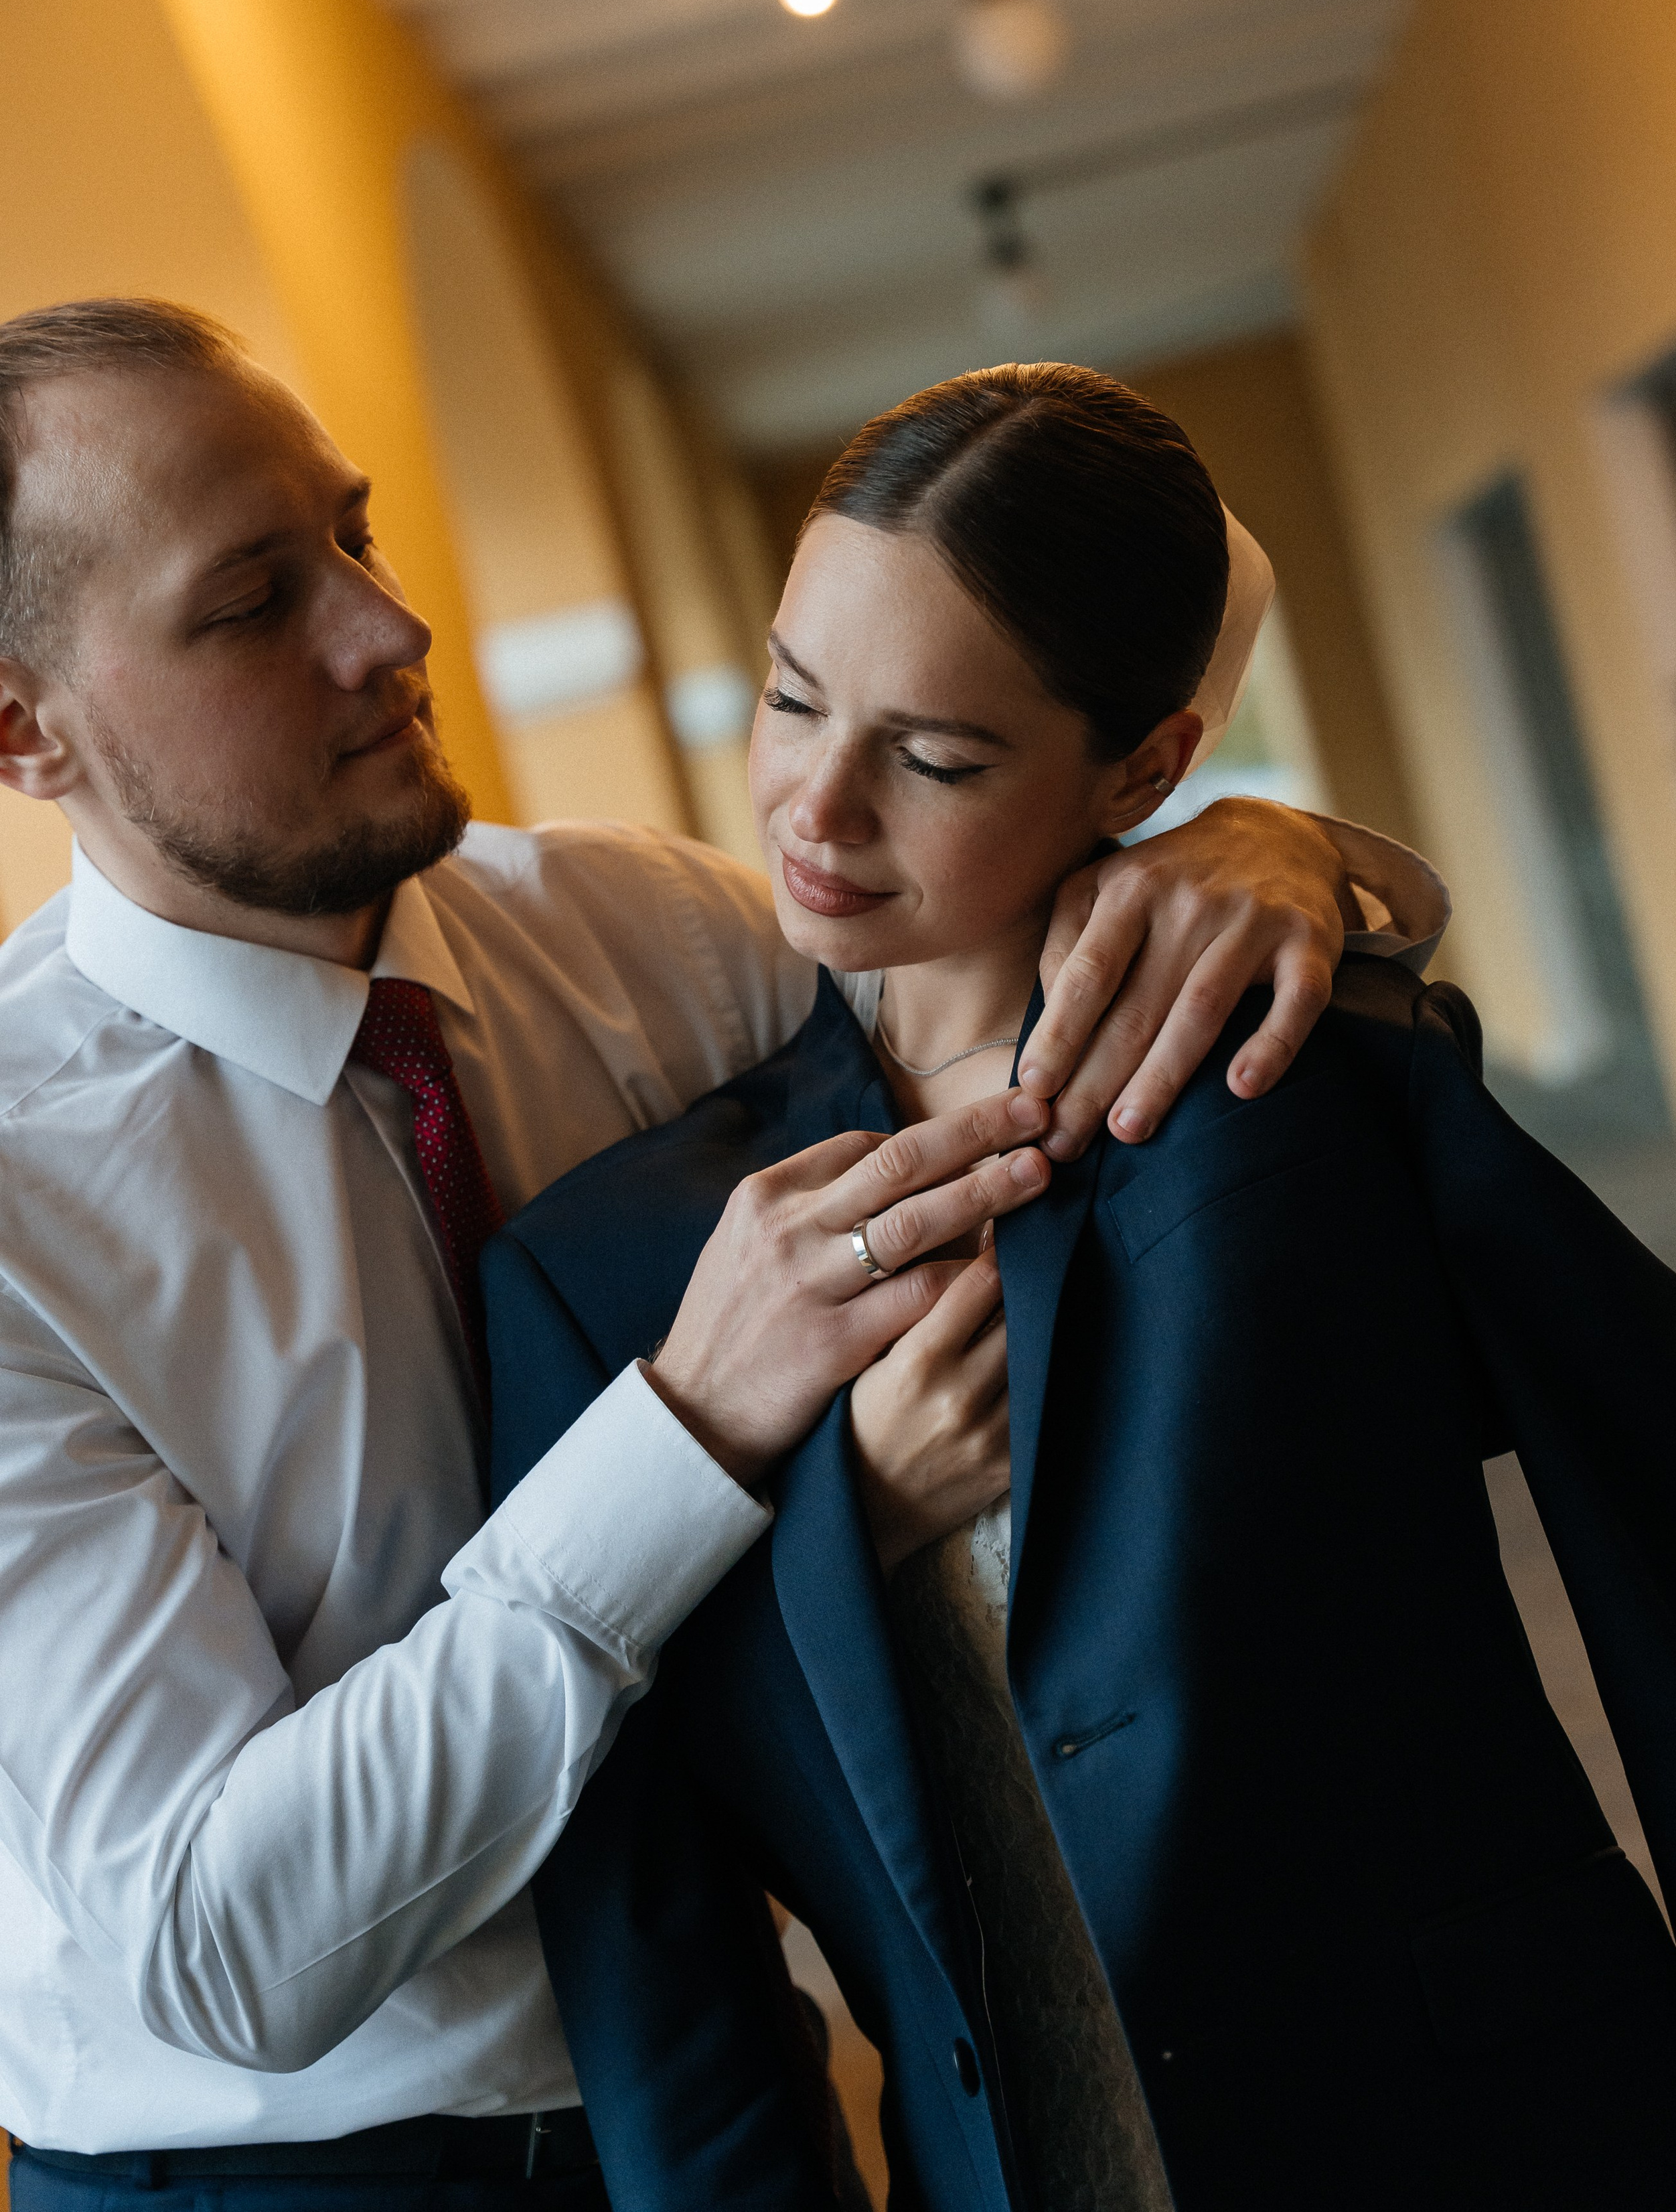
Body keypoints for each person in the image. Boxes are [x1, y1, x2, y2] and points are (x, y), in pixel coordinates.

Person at [0, 303, 1446, 2211]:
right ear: (25, 729)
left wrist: (1277, 852)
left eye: (354, 532)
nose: (387, 625)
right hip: (296, 2175)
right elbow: (221, 1949)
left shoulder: (641, 938)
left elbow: (1008, 895)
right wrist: (694, 1433)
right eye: (258, 599)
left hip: (729, 2082)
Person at [488, 364, 1676, 2212]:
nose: (817, 808)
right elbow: (654, 1929)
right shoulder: (613, 1268)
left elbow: (1672, 1508)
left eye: (938, 757)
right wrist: (850, 1510)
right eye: (793, 698)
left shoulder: (1305, 1092)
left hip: (1512, 2142)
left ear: (1143, 766)